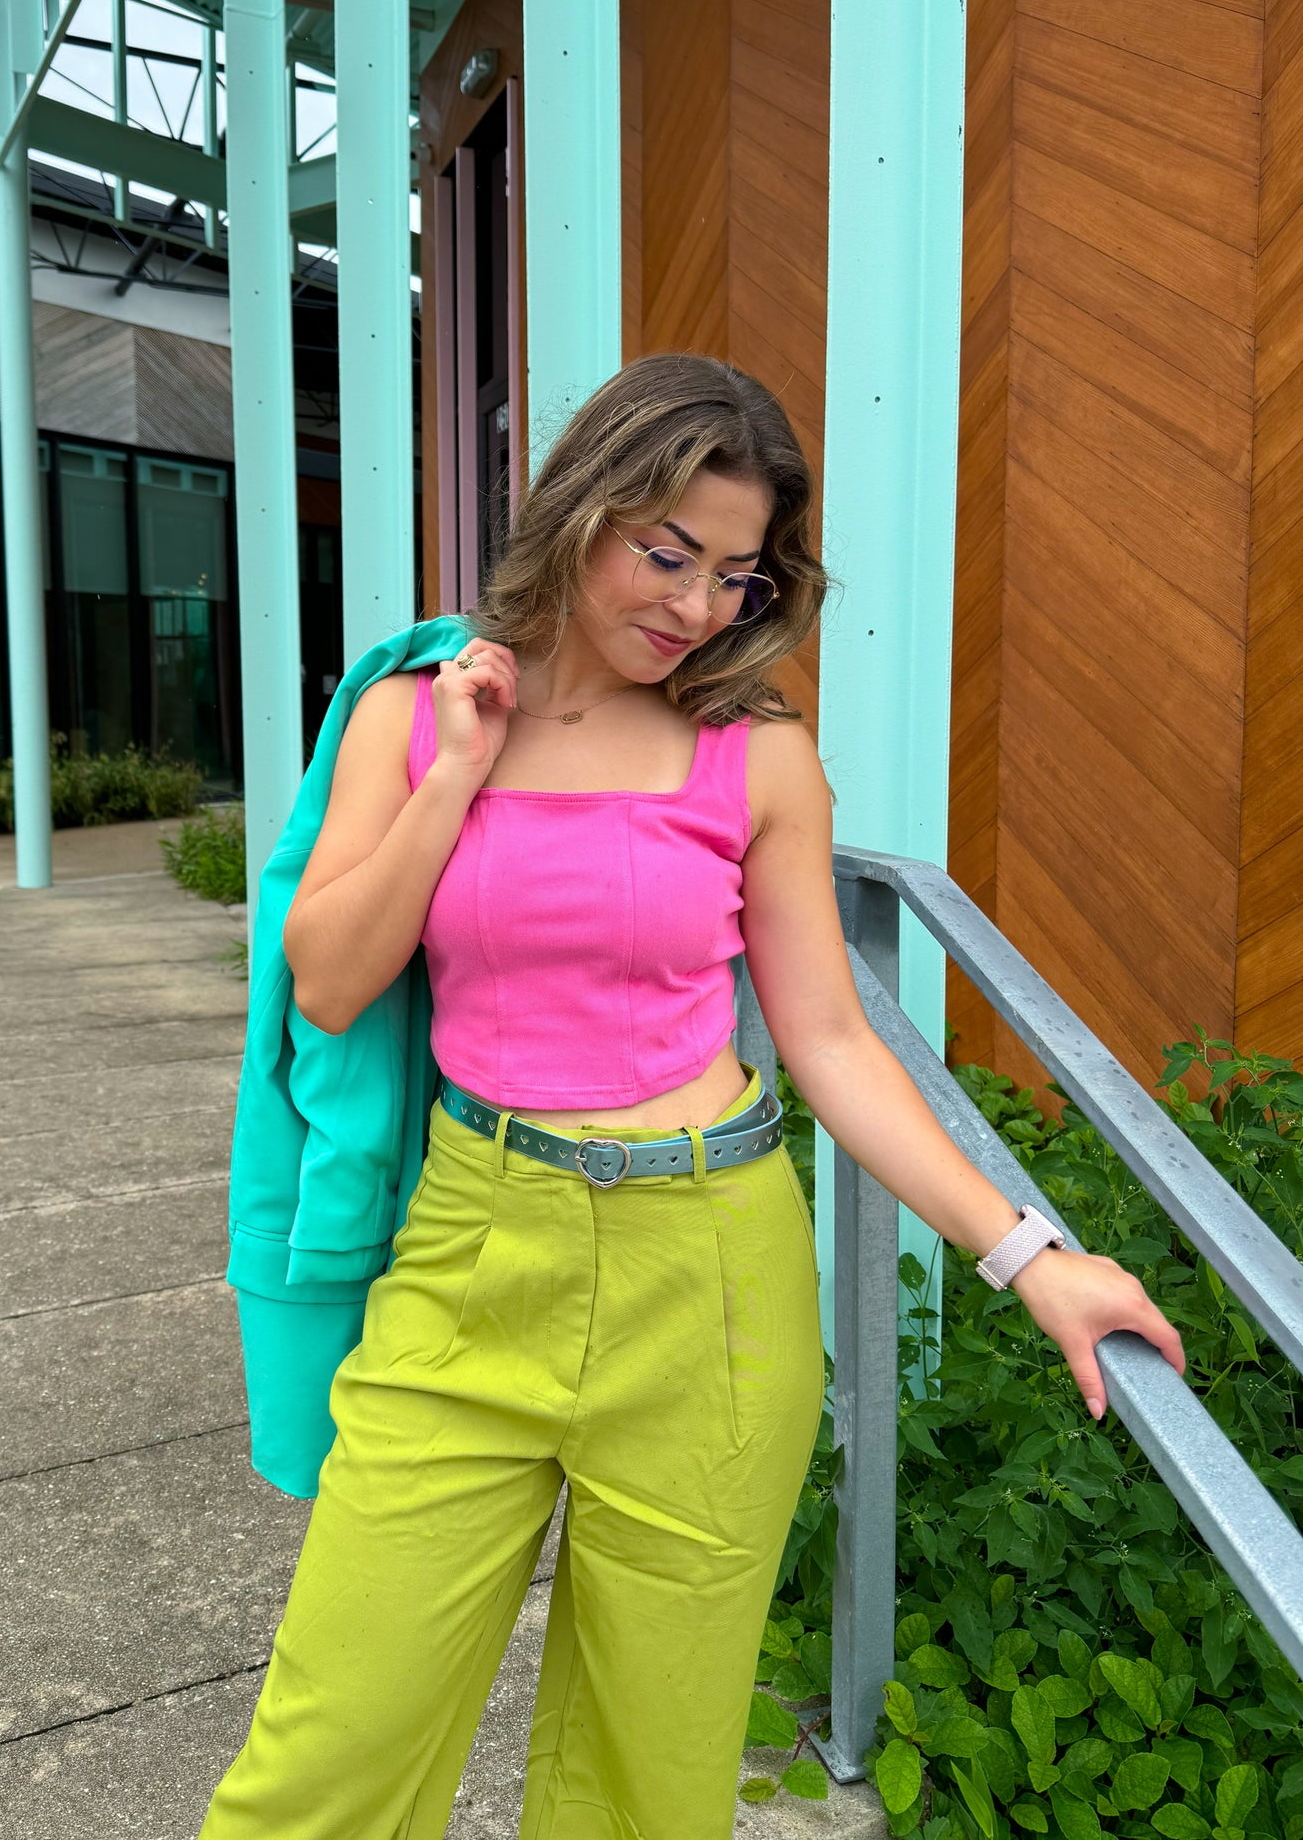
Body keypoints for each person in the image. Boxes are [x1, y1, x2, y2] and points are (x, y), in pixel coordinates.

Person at [197, 352, 1186, 1838]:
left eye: (736, 573)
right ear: (582, 508)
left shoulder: (758, 754)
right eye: (667, 554)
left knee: (647, 1784)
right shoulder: (417, 711)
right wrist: (457, 775)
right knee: (325, 1756)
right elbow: (330, 982)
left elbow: (833, 1042)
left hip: (713, 1278)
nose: (698, 605)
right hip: (474, 1254)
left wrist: (1032, 1256)